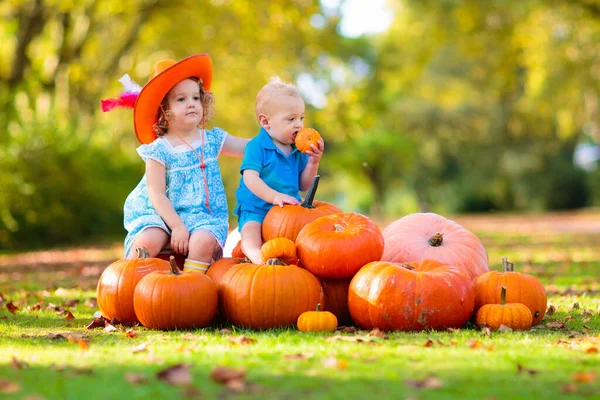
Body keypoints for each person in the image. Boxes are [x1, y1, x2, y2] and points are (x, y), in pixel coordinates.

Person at [103, 54, 248, 273]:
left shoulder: (212, 140)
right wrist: (177, 226)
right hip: (161, 215)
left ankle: (190, 292)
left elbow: (248, 148)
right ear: (164, 110)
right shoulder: (159, 150)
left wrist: (278, 138)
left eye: (196, 98)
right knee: (149, 239)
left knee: (203, 242)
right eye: (181, 99)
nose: (191, 104)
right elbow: (157, 194)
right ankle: (125, 285)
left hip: (203, 217)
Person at [234, 77, 324, 264]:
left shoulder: (298, 150)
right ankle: (259, 258)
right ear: (265, 122)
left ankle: (302, 263)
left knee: (306, 236)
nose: (299, 124)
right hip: (257, 208)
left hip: (288, 211)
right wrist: (274, 196)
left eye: (301, 118)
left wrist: (313, 162)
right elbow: (251, 178)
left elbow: (303, 184)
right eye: (291, 119)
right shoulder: (256, 146)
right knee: (250, 232)